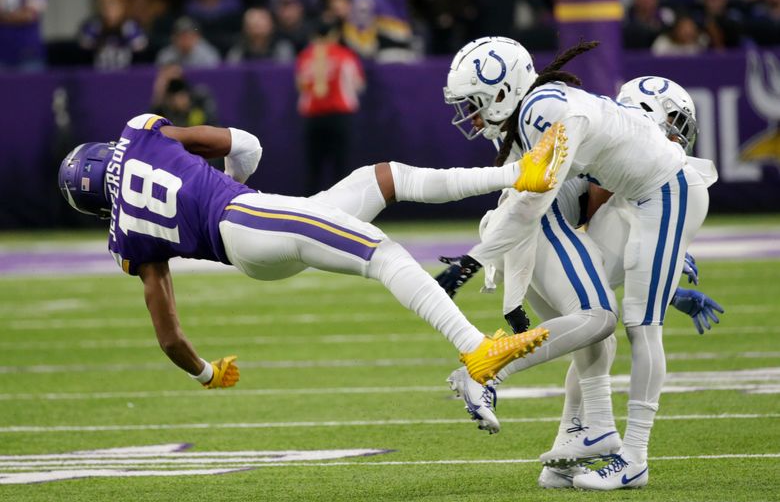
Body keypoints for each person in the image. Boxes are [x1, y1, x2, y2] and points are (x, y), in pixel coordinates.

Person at [56, 113, 566, 391]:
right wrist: (229, 187)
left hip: (249, 241)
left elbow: (167, 334)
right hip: (250, 217)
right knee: (382, 253)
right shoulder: (143, 131)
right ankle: (476, 347)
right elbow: (248, 145)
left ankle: (516, 175)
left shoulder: (127, 241)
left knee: (381, 179)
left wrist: (206, 372)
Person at [437, 37, 716, 490]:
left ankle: (634, 458)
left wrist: (473, 262)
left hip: (666, 191)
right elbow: (528, 204)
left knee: (639, 326)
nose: (468, 114)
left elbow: (534, 203)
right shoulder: (531, 118)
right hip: (648, 195)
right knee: (598, 320)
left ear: (503, 92)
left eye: (475, 102)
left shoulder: (542, 110)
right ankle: (588, 431)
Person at [296, 21, 365, 195]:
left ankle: (309, 213)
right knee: (341, 168)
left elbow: (300, 86)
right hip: (339, 115)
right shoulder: (344, 54)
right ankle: (342, 210)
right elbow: (358, 84)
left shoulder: (306, 56)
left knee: (314, 169)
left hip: (313, 118)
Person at [79, 0, 148, 71]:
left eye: (112, 3)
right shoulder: (94, 26)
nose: (108, 8)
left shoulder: (130, 26)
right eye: (104, 4)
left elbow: (141, 48)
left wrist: (125, 32)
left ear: (123, 5)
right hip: (98, 76)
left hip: (126, 76)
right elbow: (84, 47)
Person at [226, 7, 296, 64]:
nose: (257, 24)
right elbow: (231, 75)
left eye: (261, 20)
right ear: (245, 27)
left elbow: (286, 75)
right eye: (253, 22)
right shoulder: (237, 52)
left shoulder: (282, 49)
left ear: (271, 25)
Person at [0, 0, 46, 72]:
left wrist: (4, 16)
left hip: (28, 54)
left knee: (30, 83)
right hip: (2, 52)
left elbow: (29, 15)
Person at [155, 16, 220, 68]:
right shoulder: (165, 55)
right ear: (173, 38)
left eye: (189, 36)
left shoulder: (208, 54)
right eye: (181, 36)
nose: (185, 40)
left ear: (198, 37)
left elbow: (213, 78)